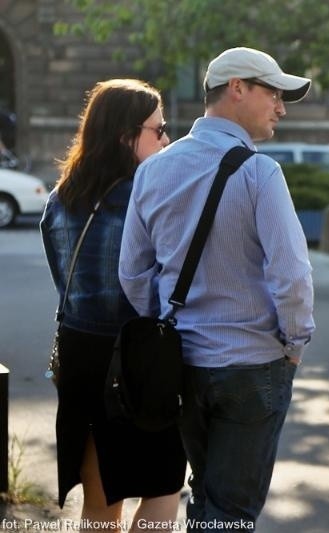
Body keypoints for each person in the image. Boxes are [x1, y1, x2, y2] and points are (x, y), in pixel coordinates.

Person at [118, 47, 315, 531]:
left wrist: (170, 320)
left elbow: (133, 273)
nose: (281, 107)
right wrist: (294, 343)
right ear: (237, 89)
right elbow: (291, 275)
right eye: (274, 93)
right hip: (252, 364)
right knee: (232, 513)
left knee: (207, 495)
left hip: (182, 363)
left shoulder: (154, 170)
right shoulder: (258, 171)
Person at [40, 79, 185, 529]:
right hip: (136, 360)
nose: (167, 139)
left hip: (79, 352)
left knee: (100, 500)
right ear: (127, 135)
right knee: (162, 489)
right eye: (158, 130)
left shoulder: (61, 197)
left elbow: (60, 277)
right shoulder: (150, 199)